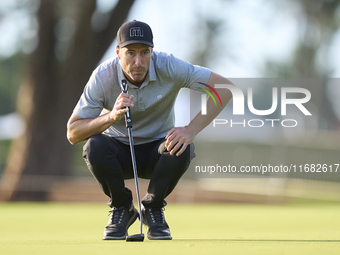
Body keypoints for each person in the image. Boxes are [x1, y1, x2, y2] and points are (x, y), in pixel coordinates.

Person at [67, 20, 233, 240]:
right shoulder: (103, 76)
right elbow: (73, 133)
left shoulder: (169, 66)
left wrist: (190, 129)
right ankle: (122, 208)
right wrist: (111, 116)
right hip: (118, 151)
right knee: (94, 146)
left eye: (145, 53)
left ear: (152, 52)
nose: (138, 61)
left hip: (158, 150)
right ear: (118, 52)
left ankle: (153, 209)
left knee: (181, 145)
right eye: (130, 53)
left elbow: (226, 88)